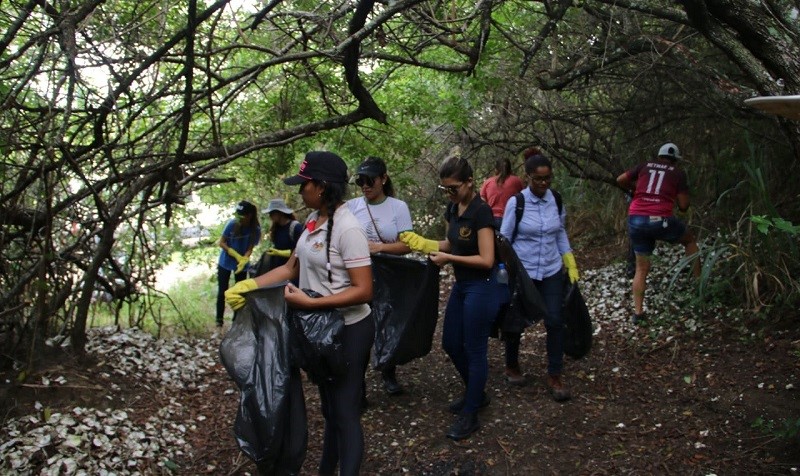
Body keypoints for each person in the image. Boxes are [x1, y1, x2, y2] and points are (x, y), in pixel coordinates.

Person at [225, 151, 374, 476]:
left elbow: (364, 290)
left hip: (349, 330)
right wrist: (249, 286)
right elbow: (290, 268)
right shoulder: (313, 223)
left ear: (320, 187)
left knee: (345, 412)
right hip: (318, 332)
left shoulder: (348, 229)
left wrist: (311, 304)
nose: (299, 191)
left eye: (304, 184)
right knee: (329, 410)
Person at [400, 155, 500, 441]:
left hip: (482, 285)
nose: (450, 194)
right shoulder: (454, 208)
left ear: (469, 183)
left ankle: (471, 412)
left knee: (475, 348)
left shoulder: (481, 212)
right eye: (445, 189)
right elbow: (450, 242)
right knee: (451, 342)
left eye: (454, 188)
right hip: (462, 284)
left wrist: (448, 258)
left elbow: (486, 258)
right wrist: (422, 243)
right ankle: (476, 394)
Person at [499, 148, 580, 402]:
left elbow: (560, 232)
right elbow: (505, 238)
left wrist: (570, 260)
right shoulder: (517, 203)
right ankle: (512, 365)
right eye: (538, 179)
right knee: (516, 320)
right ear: (528, 177)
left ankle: (554, 374)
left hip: (551, 269)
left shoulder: (555, 199)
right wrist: (504, 270)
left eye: (547, 179)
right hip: (524, 272)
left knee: (555, 320)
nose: (543, 184)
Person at [346, 157, 413, 396]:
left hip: (391, 275)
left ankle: (388, 371)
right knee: (361, 325)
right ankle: (358, 384)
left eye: (369, 180)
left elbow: (408, 245)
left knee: (388, 322)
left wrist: (379, 248)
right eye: (360, 181)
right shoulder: (352, 206)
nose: (365, 185)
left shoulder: (398, 207)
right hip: (362, 274)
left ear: (383, 179)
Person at [616, 142, 700, 324]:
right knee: (690, 240)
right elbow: (684, 206)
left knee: (641, 268)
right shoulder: (677, 173)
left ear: (659, 155)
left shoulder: (644, 166)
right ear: (675, 160)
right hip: (660, 219)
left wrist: (635, 190)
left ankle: (638, 313)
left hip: (636, 219)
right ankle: (699, 283)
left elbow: (620, 179)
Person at [215, 200, 260, 327]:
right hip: (226, 262)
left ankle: (237, 319)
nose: (239, 218)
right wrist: (233, 253)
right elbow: (221, 242)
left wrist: (244, 258)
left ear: (249, 215)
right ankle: (219, 320)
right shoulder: (232, 224)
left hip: (241, 264)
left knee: (240, 290)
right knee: (222, 290)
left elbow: (250, 247)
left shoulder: (254, 230)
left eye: (242, 215)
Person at [254, 198, 303, 276]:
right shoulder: (276, 228)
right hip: (278, 269)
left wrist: (280, 253)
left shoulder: (295, 227)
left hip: (292, 271)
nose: (270, 216)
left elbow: (301, 251)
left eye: (272, 213)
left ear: (280, 213)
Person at [480, 157, 525, 229]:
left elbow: (482, 203)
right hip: (511, 218)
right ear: (510, 168)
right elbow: (524, 198)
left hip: (492, 219)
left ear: (496, 169)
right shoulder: (517, 181)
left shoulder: (488, 182)